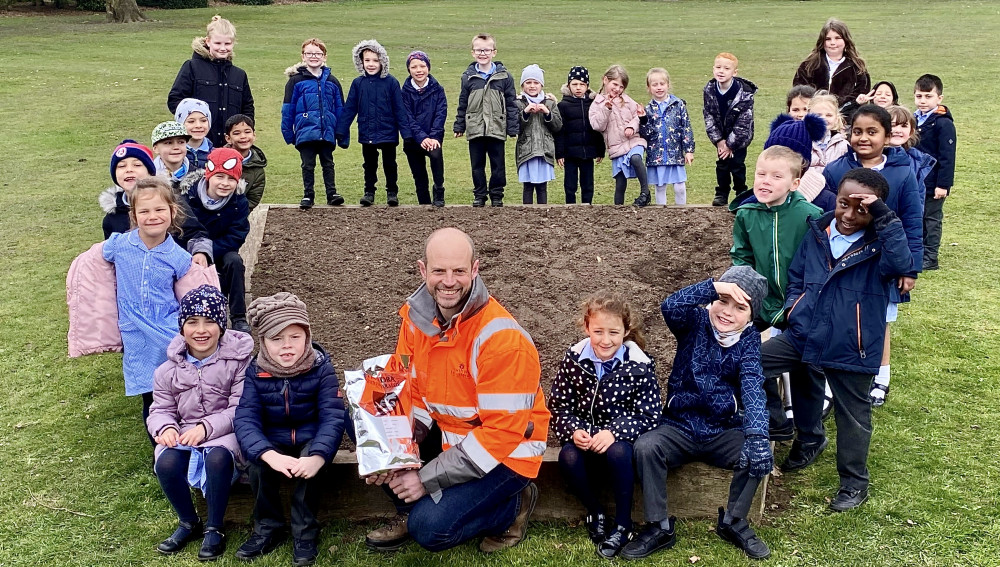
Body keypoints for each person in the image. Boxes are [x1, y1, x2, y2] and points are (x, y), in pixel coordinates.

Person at [364, 227, 550, 553]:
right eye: (439, 271)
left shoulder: (501, 338)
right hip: (457, 438)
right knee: (374, 433)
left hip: (508, 454)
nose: (448, 281)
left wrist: (424, 478)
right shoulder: (414, 320)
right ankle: (412, 508)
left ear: (474, 270)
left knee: (430, 529)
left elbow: (500, 436)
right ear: (423, 270)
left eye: (459, 271)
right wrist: (389, 452)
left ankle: (512, 507)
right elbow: (406, 387)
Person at [760, 168, 913, 511]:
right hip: (803, 334)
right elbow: (798, 275)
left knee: (853, 416)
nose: (848, 214)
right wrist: (793, 309)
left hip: (852, 345)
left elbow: (904, 262)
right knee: (749, 364)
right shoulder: (818, 230)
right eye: (844, 204)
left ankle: (854, 483)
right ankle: (802, 436)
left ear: (875, 211)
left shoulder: (881, 244)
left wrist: (884, 217)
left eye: (861, 209)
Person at [621, 266, 773, 560]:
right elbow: (670, 305)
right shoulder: (694, 321)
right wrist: (715, 287)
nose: (727, 312)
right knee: (646, 447)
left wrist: (756, 435)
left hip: (721, 429)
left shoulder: (750, 340)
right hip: (678, 427)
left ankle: (734, 522)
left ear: (751, 317)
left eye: (739, 307)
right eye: (723, 302)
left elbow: (754, 388)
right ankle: (658, 526)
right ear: (713, 301)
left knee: (757, 450)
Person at [234, 292, 347, 566]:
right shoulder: (256, 371)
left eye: (295, 337)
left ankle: (305, 533)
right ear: (263, 342)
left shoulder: (321, 368)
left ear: (307, 337)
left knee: (310, 471)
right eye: (276, 339)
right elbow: (245, 418)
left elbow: (333, 415)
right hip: (275, 440)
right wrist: (268, 454)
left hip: (311, 437)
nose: (287, 346)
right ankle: (267, 528)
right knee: (258, 467)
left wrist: (318, 456)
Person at [821, 105, 924, 406]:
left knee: (882, 320)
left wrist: (910, 268)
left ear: (888, 136)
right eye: (857, 131)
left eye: (872, 132)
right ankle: (829, 381)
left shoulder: (903, 173)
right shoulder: (836, 169)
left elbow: (912, 221)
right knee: (838, 317)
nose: (863, 138)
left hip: (884, 261)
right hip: (843, 259)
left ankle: (881, 376)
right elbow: (825, 212)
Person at [548, 292, 661, 558]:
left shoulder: (639, 366)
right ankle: (595, 511)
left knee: (619, 451)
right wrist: (575, 430)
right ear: (586, 328)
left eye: (613, 332)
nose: (605, 340)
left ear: (625, 331)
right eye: (598, 331)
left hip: (619, 448)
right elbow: (559, 406)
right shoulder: (574, 360)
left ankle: (624, 523)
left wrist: (614, 433)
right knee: (568, 455)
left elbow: (650, 413)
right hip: (586, 442)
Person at [147, 285, 253, 561]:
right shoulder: (166, 370)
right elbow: (160, 409)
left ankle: (215, 527)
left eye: (209, 322)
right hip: (186, 433)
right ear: (182, 328)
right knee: (166, 462)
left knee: (217, 457)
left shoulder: (239, 361)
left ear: (221, 326)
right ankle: (188, 521)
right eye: (192, 322)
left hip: (226, 431)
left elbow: (240, 407)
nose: (201, 330)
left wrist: (206, 428)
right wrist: (166, 428)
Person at [730, 144, 822, 439]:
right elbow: (741, 257)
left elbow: (820, 263)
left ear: (795, 184)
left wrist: (805, 301)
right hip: (763, 302)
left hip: (801, 304)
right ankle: (774, 418)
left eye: (776, 176)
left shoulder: (810, 215)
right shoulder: (746, 213)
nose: (765, 181)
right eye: (760, 174)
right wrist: (745, 291)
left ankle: (810, 433)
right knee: (736, 345)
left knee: (804, 368)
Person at [102, 177, 193, 442]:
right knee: (150, 394)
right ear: (133, 215)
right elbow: (94, 262)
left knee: (176, 389)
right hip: (136, 335)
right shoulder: (119, 245)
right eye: (144, 211)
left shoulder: (178, 257)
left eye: (159, 210)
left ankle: (186, 441)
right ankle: (160, 448)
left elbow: (188, 291)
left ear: (172, 212)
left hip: (167, 331)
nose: (152, 216)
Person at [178, 148, 251, 333]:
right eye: (220, 177)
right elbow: (182, 229)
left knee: (234, 261)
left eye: (231, 179)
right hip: (190, 251)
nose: (225, 183)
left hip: (221, 250)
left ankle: (238, 316)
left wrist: (210, 252)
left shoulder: (238, 202)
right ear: (209, 175)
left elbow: (237, 233)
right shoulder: (189, 197)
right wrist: (197, 253)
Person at [337, 39, 411, 207]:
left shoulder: (391, 82)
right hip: (367, 129)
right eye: (367, 60)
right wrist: (341, 130)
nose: (371, 64)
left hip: (388, 130)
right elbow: (350, 108)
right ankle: (369, 191)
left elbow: (399, 109)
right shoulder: (358, 83)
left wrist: (406, 133)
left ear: (382, 61)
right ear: (361, 62)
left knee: (390, 163)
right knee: (369, 164)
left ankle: (392, 191)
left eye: (375, 60)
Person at [167, 15, 254, 148]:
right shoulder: (192, 67)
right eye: (218, 43)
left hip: (230, 146)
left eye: (227, 43)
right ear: (208, 41)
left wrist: (244, 132)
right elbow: (175, 100)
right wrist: (194, 123)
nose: (223, 48)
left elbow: (247, 107)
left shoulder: (239, 75)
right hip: (198, 144)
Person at [454, 33, 519, 207]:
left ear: (494, 52)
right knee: (477, 164)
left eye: (486, 50)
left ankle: (497, 194)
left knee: (498, 164)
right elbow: (463, 103)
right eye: (479, 50)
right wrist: (459, 125)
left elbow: (512, 103)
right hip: (475, 127)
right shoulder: (467, 77)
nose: (483, 53)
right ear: (473, 53)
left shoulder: (505, 77)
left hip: (496, 127)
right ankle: (480, 194)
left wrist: (512, 127)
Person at [281, 38, 346, 209]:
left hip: (327, 131)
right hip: (305, 131)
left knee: (328, 163)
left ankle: (332, 193)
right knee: (307, 164)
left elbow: (340, 109)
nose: (314, 56)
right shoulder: (295, 81)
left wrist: (342, 134)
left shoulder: (332, 81)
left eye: (318, 53)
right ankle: (308, 194)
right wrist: (288, 133)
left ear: (324, 57)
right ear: (303, 56)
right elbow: (288, 108)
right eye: (309, 53)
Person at [589, 64, 650, 206]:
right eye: (615, 84)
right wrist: (606, 109)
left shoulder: (627, 100)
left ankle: (645, 193)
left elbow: (638, 115)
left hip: (634, 141)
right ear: (605, 80)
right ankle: (618, 209)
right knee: (620, 182)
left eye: (621, 87)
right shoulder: (597, 104)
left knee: (636, 158)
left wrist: (632, 126)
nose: (617, 89)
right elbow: (597, 125)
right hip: (616, 147)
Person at [913, 74, 956, 272]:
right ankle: (918, 251)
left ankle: (930, 255)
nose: (923, 101)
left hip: (933, 181)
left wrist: (943, 184)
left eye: (928, 96)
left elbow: (947, 157)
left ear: (939, 98)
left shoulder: (942, 123)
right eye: (919, 96)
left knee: (931, 218)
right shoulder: (913, 120)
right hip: (915, 179)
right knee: (917, 215)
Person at [703, 53, 757, 207]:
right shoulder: (709, 90)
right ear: (713, 69)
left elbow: (744, 122)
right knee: (722, 165)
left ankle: (741, 192)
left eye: (726, 68)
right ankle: (722, 192)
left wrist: (731, 144)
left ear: (734, 72)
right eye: (718, 67)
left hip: (739, 139)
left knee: (738, 165)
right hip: (721, 138)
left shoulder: (745, 93)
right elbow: (709, 116)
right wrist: (719, 141)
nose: (721, 71)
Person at [640, 67, 695, 205]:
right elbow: (646, 134)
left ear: (668, 85)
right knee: (660, 186)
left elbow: (686, 127)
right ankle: (662, 216)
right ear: (649, 88)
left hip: (675, 153)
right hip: (656, 155)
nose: (659, 88)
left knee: (680, 187)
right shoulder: (648, 109)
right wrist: (643, 119)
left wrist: (688, 150)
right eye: (655, 85)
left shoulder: (678, 105)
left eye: (662, 84)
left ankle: (681, 212)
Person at [401, 50, 448, 207]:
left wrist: (434, 136)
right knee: (419, 174)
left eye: (422, 66)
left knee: (436, 157)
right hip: (413, 139)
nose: (419, 70)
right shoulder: (404, 91)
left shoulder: (437, 89)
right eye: (414, 67)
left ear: (428, 67)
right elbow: (407, 118)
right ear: (409, 70)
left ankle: (439, 191)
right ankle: (424, 203)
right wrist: (421, 137)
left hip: (433, 136)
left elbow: (440, 114)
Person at [792, 18, 871, 108]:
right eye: (828, 39)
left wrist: (839, 107)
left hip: (846, 116)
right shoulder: (808, 65)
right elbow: (799, 91)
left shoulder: (857, 67)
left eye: (837, 38)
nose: (833, 43)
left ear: (846, 40)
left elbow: (861, 93)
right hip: (813, 114)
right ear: (822, 41)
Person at [555, 66, 605, 204]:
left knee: (588, 183)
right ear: (568, 85)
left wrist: (600, 149)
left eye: (582, 84)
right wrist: (559, 153)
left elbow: (598, 127)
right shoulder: (563, 105)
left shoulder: (593, 104)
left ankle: (587, 205)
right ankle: (570, 206)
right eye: (574, 84)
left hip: (587, 152)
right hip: (570, 153)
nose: (578, 88)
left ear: (587, 86)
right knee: (570, 184)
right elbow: (559, 131)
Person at [515, 64, 562, 204]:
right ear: (523, 85)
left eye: (536, 82)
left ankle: (543, 213)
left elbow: (558, 126)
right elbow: (515, 127)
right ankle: (527, 213)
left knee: (542, 187)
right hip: (526, 151)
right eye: (528, 82)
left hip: (544, 151)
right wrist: (525, 113)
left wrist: (547, 113)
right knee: (528, 187)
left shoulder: (550, 103)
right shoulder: (518, 103)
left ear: (541, 85)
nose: (532, 86)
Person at [798, 92, 849, 203]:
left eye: (829, 115)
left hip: (836, 194)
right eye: (818, 115)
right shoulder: (802, 142)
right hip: (806, 195)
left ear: (836, 118)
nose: (824, 119)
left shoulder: (843, 144)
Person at [99, 140, 157, 238]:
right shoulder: (111, 219)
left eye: (137, 165)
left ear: (150, 173)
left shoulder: (169, 204)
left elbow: (190, 235)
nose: (129, 170)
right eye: (121, 166)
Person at [886, 104, 936, 192]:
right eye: (893, 125)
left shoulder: (917, 161)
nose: (898, 130)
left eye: (904, 126)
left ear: (911, 132)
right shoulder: (871, 157)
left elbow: (918, 195)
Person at [224, 114, 267, 212]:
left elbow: (253, 199)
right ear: (228, 138)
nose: (243, 136)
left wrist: (238, 215)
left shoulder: (258, 169)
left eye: (247, 132)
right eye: (236, 133)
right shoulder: (217, 159)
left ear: (254, 135)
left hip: (238, 217)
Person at [174, 98, 214, 169]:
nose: (198, 125)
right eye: (191, 121)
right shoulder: (173, 153)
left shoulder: (216, 154)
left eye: (203, 120)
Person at [151, 121, 192, 186]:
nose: (176, 147)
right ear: (156, 148)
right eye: (168, 143)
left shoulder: (197, 176)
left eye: (181, 142)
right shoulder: (149, 177)